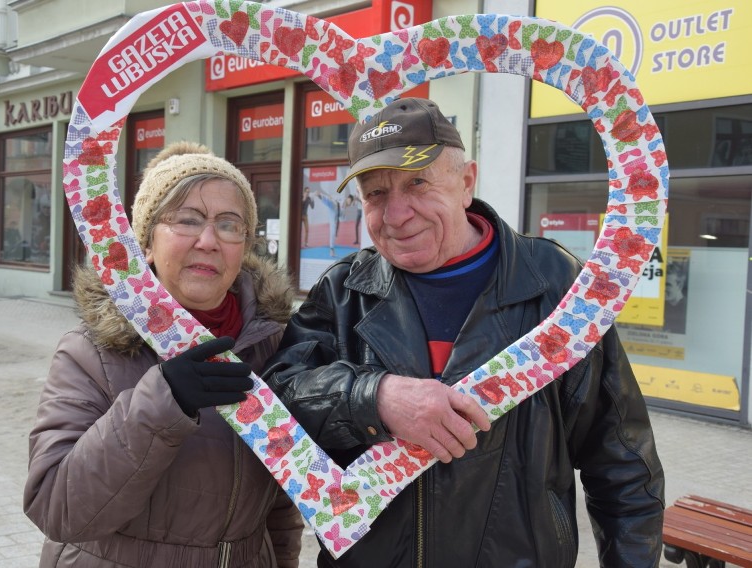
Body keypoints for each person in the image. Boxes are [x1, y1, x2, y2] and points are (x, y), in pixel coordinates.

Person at [263, 98, 665, 567]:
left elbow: (623, 464)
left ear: (466, 182)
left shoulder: (554, 282)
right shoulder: (342, 290)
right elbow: (276, 399)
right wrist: (374, 398)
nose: (395, 214)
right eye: (375, 193)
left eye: (417, 182)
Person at [24, 141, 303, 567]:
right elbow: (57, 509)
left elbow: (282, 504)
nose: (208, 240)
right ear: (147, 244)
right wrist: (160, 404)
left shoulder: (276, 346)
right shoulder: (91, 351)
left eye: (229, 225)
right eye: (187, 220)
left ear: (243, 246)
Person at [315, 189, 341, 257]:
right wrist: (320, 196)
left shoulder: (337, 204)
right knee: (332, 233)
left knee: (333, 233)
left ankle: (332, 250)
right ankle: (331, 250)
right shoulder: (332, 204)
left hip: (336, 218)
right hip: (333, 220)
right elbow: (327, 202)